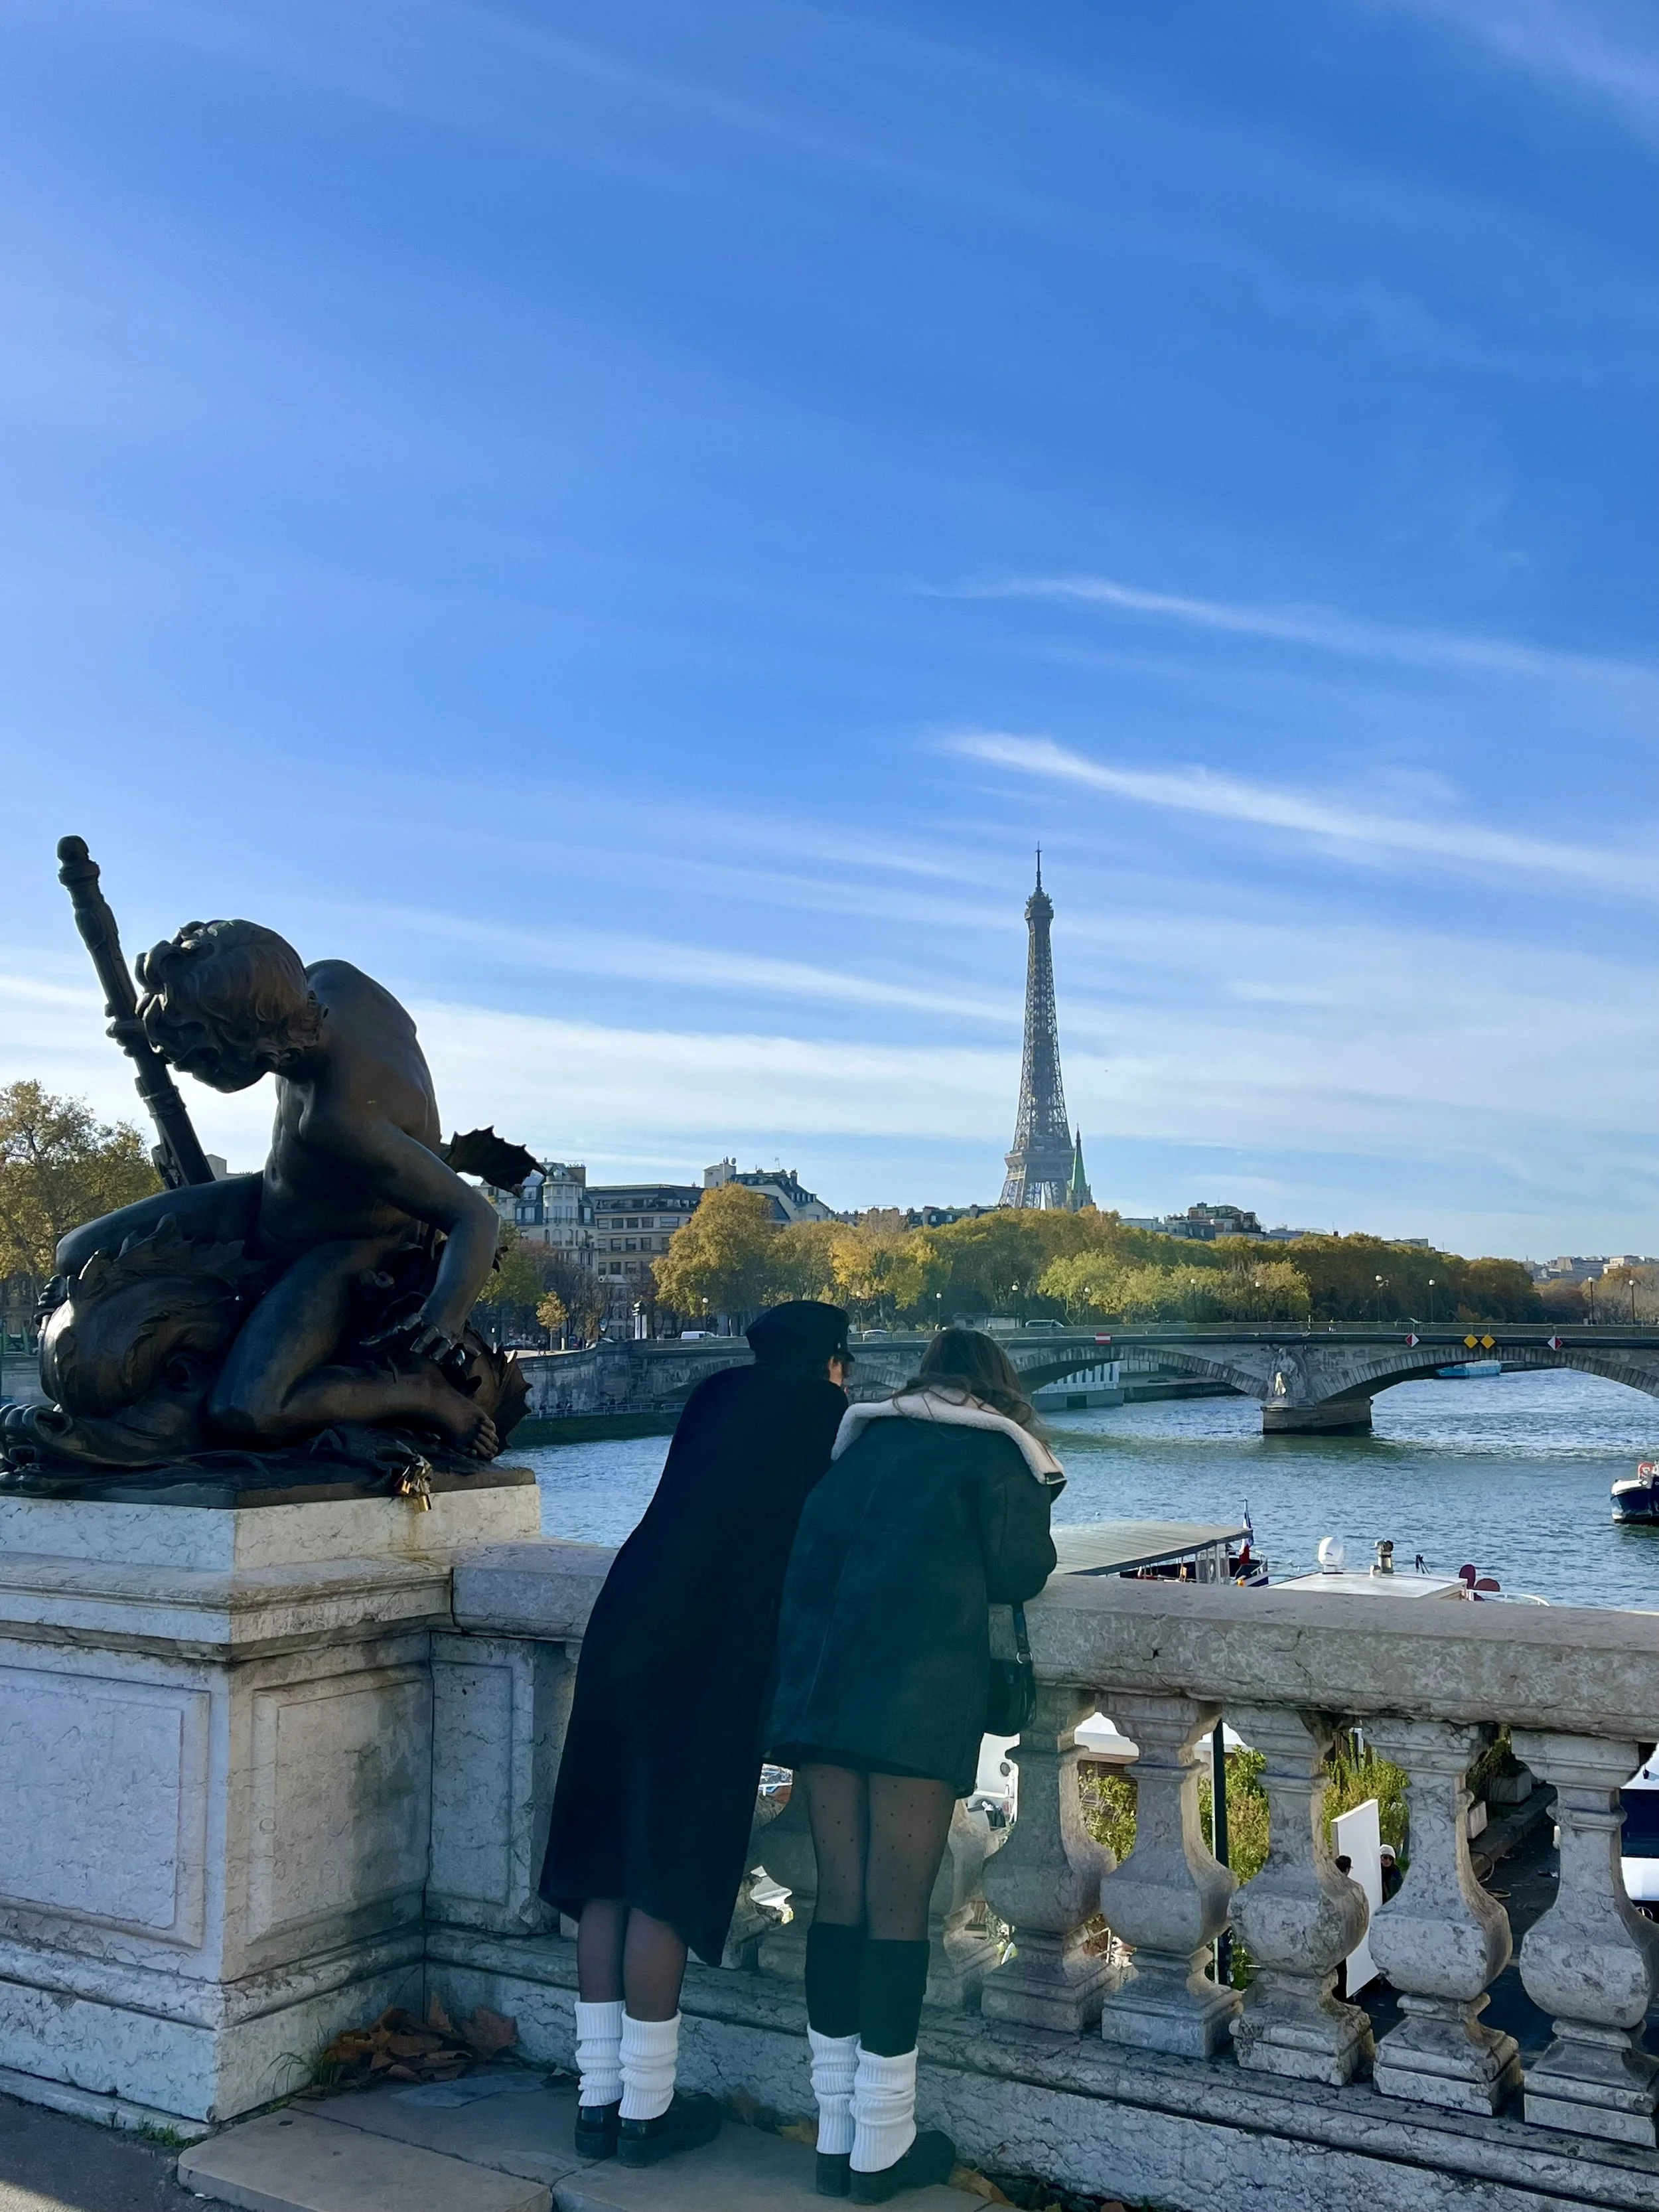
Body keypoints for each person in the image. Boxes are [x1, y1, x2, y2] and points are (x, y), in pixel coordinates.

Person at [540, 1301, 851, 2168]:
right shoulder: (827, 1415)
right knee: (666, 1867)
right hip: (712, 1646)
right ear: (832, 1358)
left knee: (604, 1859)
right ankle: (647, 2110)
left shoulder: (713, 1393)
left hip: (627, 1616)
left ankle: (596, 2100)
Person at [768, 1329, 1063, 2203]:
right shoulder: (991, 1452)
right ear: (998, 1386)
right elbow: (1025, 1570)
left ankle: (835, 2133)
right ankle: (883, 2145)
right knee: (901, 1911)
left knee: (841, 1901)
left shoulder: (862, 1444)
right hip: (915, 1695)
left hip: (826, 1692)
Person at [53, 919, 502, 1455]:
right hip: (262, 1201)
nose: (194, 1072)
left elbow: (476, 1216)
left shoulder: (340, 1118)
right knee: (75, 1253)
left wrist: (441, 1319)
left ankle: (418, 1393)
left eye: (204, 1059)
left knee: (249, 1408)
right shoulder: (331, 982)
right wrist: (158, 1028)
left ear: (260, 1045)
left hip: (343, 1250)